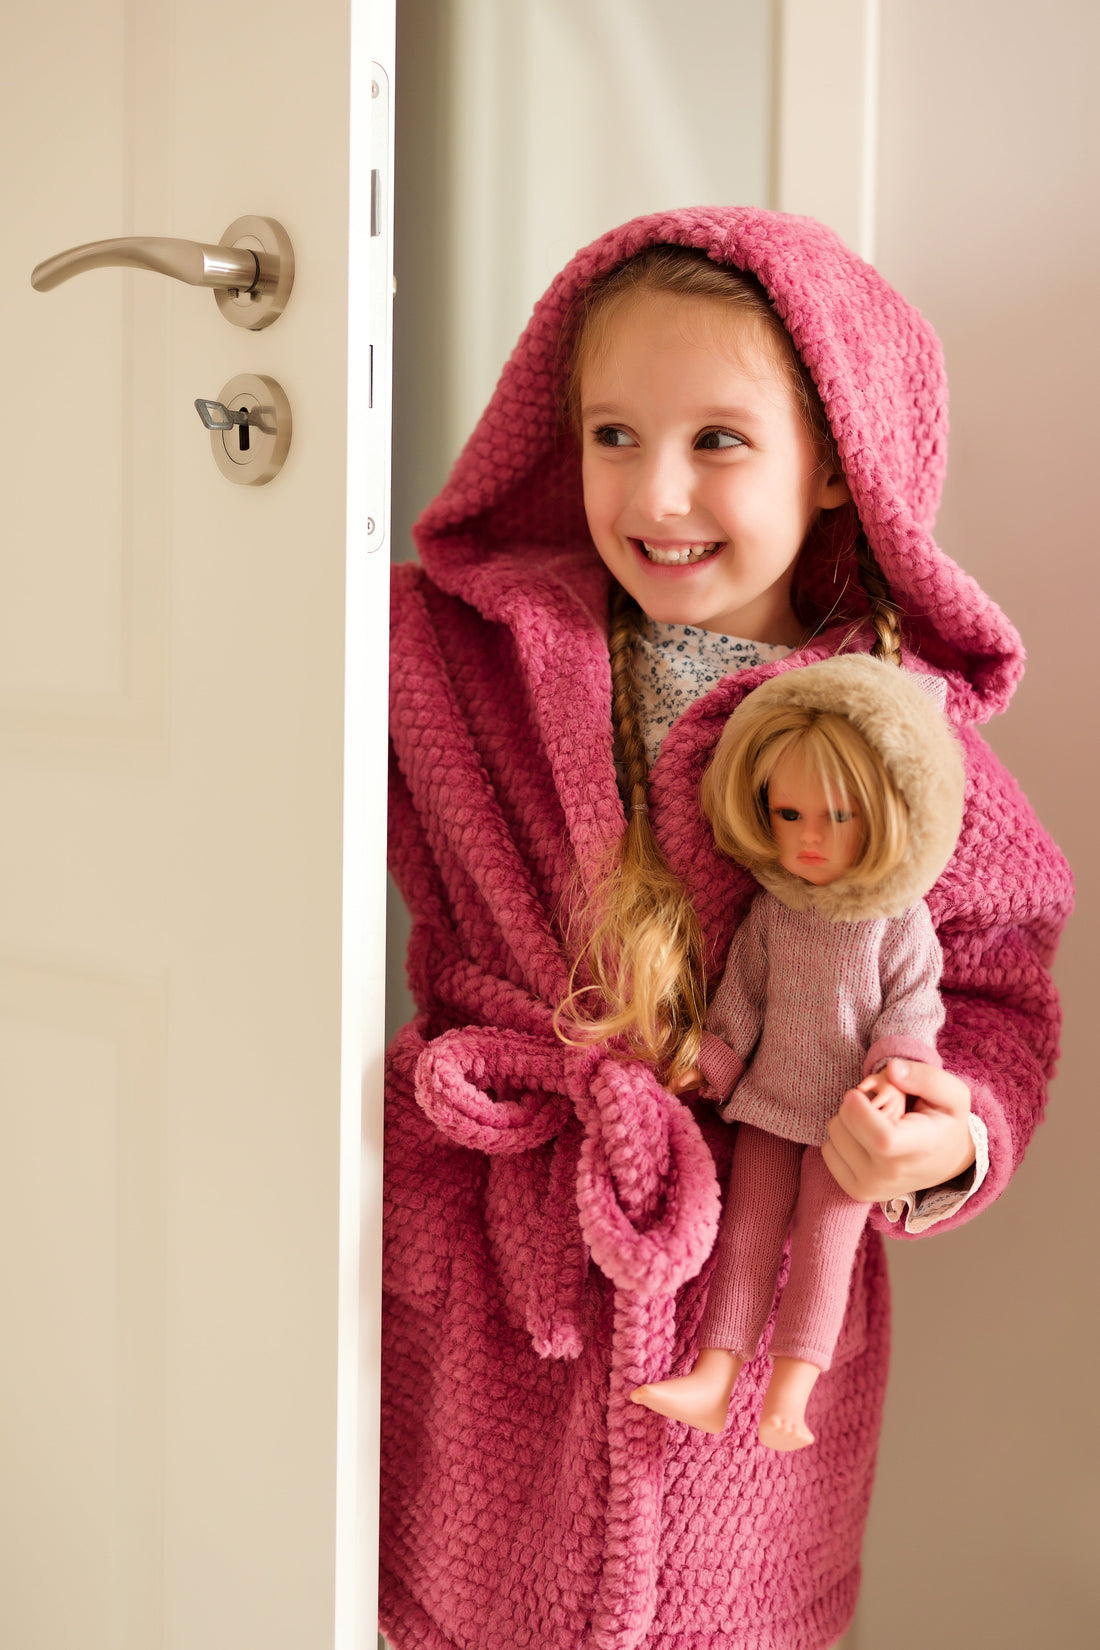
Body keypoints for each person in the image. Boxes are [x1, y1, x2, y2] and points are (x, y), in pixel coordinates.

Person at [383, 209, 1072, 1650]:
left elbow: (998, 988)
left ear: (835, 465)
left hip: (761, 1306)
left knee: (728, 1613)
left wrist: (945, 1139)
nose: (657, 488)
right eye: (614, 435)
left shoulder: (898, 727)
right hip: (510, 1272)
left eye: (718, 440)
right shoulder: (473, 654)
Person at [630, 655, 965, 1448]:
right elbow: (742, 1001)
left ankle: (791, 1391)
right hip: (770, 1108)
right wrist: (708, 1062)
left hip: (852, 1124)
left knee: (824, 1249)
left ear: (889, 815)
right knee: (744, 1238)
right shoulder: (776, 912)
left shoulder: (898, 920)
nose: (810, 839)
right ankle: (715, 1377)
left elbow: (916, 1003)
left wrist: (897, 1078)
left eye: (839, 817)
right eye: (789, 816)